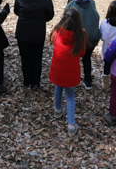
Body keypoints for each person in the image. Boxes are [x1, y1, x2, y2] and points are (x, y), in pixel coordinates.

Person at [48, 8, 87, 136]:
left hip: (58, 69)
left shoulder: (56, 32)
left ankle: (57, 109)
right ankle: (71, 124)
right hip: (71, 72)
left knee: (58, 87)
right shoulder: (81, 36)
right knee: (70, 95)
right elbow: (81, 54)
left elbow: (54, 43)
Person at [14, 0, 54, 90]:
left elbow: (17, 11)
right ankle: (36, 81)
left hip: (23, 32)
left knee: (25, 57)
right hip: (38, 32)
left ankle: (27, 81)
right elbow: (50, 16)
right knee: (37, 57)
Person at [66, 0, 100, 88]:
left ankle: (71, 78)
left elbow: (67, 24)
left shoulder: (72, 5)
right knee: (87, 58)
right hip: (92, 38)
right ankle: (88, 80)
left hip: (79, 39)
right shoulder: (91, 2)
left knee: (73, 57)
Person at [100, 1, 116, 90]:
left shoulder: (105, 22)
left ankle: (105, 84)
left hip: (107, 48)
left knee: (106, 65)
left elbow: (103, 37)